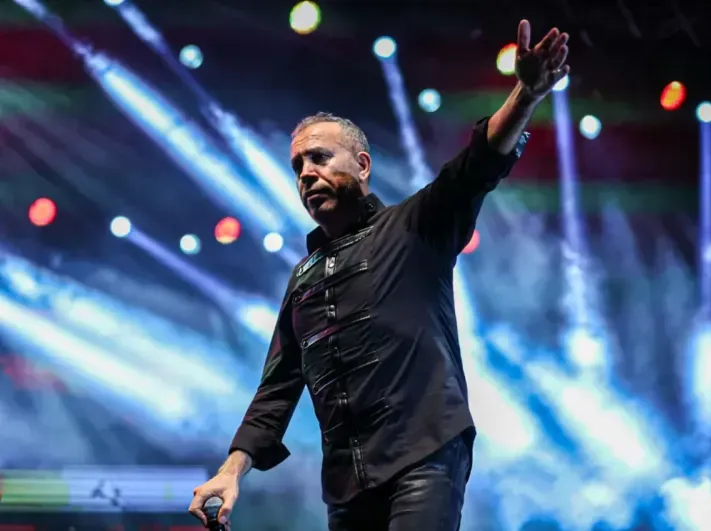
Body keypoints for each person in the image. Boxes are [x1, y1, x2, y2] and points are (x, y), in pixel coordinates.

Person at [189, 19, 570, 531]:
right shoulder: (302, 279)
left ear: (363, 166)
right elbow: (276, 389)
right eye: (298, 166)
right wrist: (231, 471)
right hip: (347, 486)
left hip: (423, 455)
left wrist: (526, 93)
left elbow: (475, 167)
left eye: (320, 158)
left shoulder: (414, 226)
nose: (306, 173)